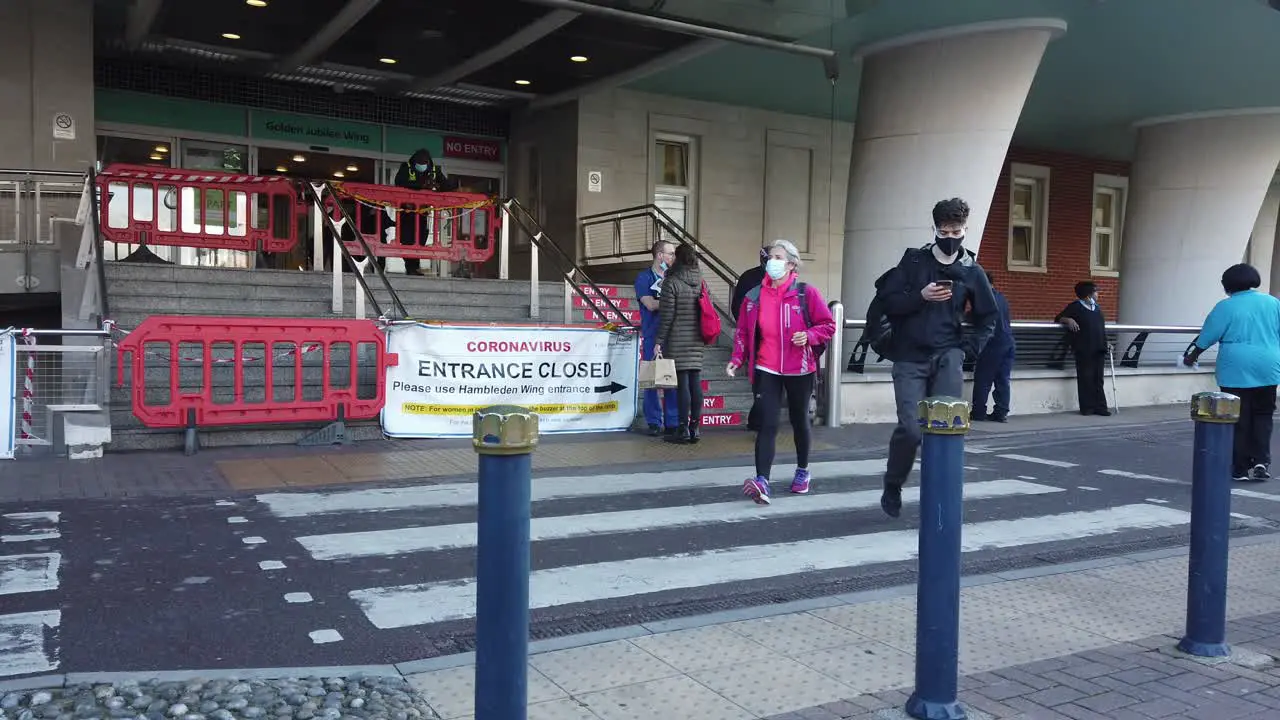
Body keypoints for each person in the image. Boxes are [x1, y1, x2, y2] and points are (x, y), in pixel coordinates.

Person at [874, 198, 998, 518]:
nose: (951, 236)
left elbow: (988, 317)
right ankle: (893, 482)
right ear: (934, 229)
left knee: (944, 431)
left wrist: (968, 350)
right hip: (909, 357)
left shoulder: (972, 270)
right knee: (911, 429)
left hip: (948, 356)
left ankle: (939, 497)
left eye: (956, 230)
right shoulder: (913, 262)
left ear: (965, 230)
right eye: (944, 230)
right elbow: (888, 303)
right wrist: (920, 296)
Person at [728, 239, 836, 504]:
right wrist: (737, 358)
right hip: (767, 368)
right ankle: (762, 480)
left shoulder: (805, 293)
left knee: (800, 420)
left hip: (800, 369)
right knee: (768, 423)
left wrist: (809, 336)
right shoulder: (754, 296)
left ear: (791, 264)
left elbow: (828, 325)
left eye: (777, 257)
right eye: (769, 257)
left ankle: (802, 470)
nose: (771, 262)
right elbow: (742, 331)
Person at [1182, 263, 1280, 482]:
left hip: (1236, 367)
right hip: (1269, 365)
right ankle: (1262, 460)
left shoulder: (1226, 307)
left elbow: (1208, 335)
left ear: (1228, 284)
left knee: (1239, 417)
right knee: (1263, 415)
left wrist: (1192, 356)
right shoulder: (1273, 303)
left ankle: (1240, 467)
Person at [654, 243, 707, 444]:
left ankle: (683, 429)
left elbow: (667, 316)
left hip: (677, 338)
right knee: (695, 381)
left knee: (682, 384)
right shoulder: (700, 281)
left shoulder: (672, 282)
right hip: (696, 338)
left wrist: (659, 340)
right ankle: (695, 427)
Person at [388, 149, 455, 276]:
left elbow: (447, 186)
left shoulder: (434, 170)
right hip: (407, 212)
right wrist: (421, 186)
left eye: (424, 163)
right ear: (414, 162)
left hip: (423, 213)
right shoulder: (406, 168)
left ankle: (414, 267)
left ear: (428, 162)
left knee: (421, 239)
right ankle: (411, 268)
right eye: (419, 163)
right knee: (407, 240)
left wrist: (438, 187)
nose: (422, 165)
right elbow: (399, 182)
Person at [636, 240, 679, 436]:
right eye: (670, 253)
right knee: (652, 379)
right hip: (653, 333)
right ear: (660, 255)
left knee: (671, 377)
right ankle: (653, 421)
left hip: (673, 334)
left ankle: (672, 421)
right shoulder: (644, 278)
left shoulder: (675, 277)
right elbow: (651, 304)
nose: (673, 257)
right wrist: (671, 301)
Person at [1055, 281, 1111, 416]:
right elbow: (1058, 318)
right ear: (1088, 295)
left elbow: (1101, 328)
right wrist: (1068, 320)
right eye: (1095, 292)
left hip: (1099, 347)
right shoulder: (1075, 307)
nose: (1098, 294)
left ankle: (1100, 406)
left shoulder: (1096, 308)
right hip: (1084, 348)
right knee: (1085, 377)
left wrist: (1107, 342)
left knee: (1098, 378)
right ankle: (1087, 407)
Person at [731, 245, 770, 431]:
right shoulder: (751, 279)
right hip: (758, 337)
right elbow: (738, 306)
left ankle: (759, 416)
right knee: (761, 379)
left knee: (762, 380)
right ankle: (760, 417)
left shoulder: (782, 279)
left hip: (766, 338)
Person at [972, 271, 1016, 422]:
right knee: (1002, 379)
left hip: (993, 343)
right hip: (1008, 341)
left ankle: (978, 412)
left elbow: (978, 316)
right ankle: (1001, 412)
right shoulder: (1001, 297)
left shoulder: (985, 297)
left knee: (983, 379)